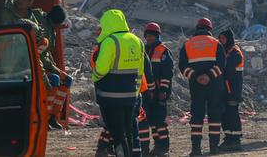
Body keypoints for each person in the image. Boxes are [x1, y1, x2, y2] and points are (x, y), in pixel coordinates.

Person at [0, 0, 70, 129]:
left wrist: (53, 68)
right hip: (14, 59)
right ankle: (44, 118)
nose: (20, 1)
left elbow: (41, 50)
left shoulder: (34, 19)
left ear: (30, 3)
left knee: (62, 80)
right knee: (50, 81)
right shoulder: (7, 14)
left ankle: (51, 117)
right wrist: (54, 69)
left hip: (28, 59)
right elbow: (36, 49)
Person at [92, 9, 146, 157]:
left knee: (117, 134)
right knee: (128, 131)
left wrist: (94, 77)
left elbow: (101, 69)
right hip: (130, 95)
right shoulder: (137, 41)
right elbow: (140, 71)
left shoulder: (110, 41)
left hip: (110, 96)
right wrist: (135, 92)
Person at [179, 18, 226, 156]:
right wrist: (209, 76)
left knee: (197, 117)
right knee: (215, 116)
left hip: (196, 86)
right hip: (215, 85)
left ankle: (196, 149)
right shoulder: (215, 43)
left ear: (197, 28)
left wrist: (196, 77)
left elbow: (182, 66)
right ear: (209, 29)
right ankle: (214, 148)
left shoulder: (187, 44)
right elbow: (222, 65)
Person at [144, 23, 174, 156]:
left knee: (160, 122)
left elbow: (167, 73)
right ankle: (157, 146)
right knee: (151, 121)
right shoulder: (144, 49)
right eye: (147, 36)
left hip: (159, 92)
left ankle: (164, 148)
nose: (148, 38)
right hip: (147, 91)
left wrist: (163, 90)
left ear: (156, 36)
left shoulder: (163, 51)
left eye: (151, 36)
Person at [219, 29, 244, 152]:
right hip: (225, 89)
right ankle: (228, 137)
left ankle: (235, 139)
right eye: (220, 38)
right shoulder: (225, 51)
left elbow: (226, 69)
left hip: (233, 90)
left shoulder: (235, 52)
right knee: (225, 114)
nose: (221, 41)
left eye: (223, 38)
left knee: (232, 114)